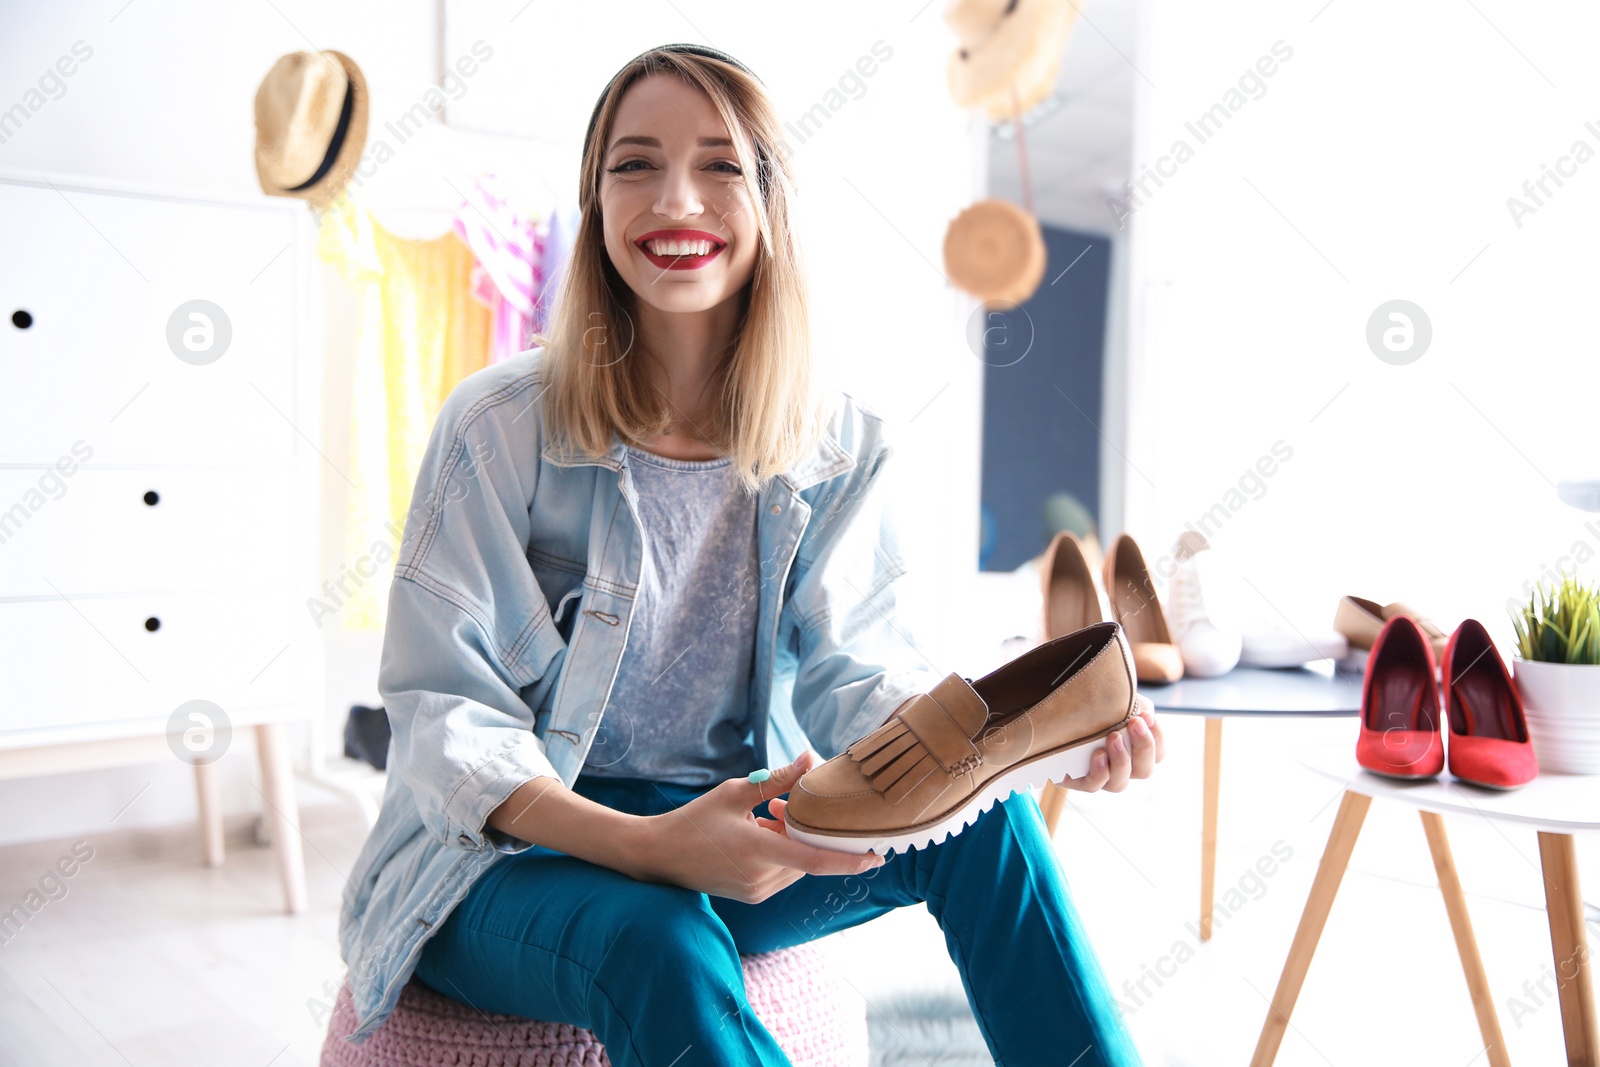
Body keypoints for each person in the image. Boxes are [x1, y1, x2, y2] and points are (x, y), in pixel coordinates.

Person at [336, 43, 1164, 1067]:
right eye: (633, 165)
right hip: (500, 859)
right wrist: (646, 844)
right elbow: (443, 720)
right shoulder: (497, 426)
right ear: (593, 206)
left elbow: (859, 676)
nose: (675, 198)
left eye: (720, 166)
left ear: (769, 201)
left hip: (734, 824)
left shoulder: (839, 443)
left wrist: (1011, 758)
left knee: (994, 834)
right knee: (659, 936)